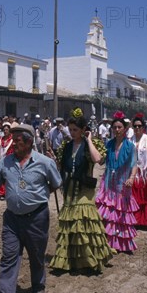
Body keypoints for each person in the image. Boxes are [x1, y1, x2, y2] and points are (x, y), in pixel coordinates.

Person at [0, 124, 62, 293]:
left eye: (17, 141)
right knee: (9, 255)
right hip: (12, 219)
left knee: (36, 254)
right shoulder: (6, 161)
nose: (13, 144)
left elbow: (56, 183)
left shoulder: (44, 162)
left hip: (37, 218)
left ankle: (38, 285)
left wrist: (40, 195)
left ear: (28, 142)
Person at [49, 109, 114, 273]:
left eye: (75, 130)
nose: (72, 133)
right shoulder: (66, 145)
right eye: (70, 129)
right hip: (69, 188)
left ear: (83, 129)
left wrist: (89, 139)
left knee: (84, 220)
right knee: (72, 222)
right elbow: (63, 167)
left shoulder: (92, 144)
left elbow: (98, 159)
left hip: (85, 187)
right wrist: (54, 160)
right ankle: (74, 260)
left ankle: (91, 258)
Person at [95, 111, 139, 253]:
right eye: (115, 127)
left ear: (125, 129)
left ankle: (121, 243)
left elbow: (134, 164)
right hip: (108, 182)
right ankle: (107, 241)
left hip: (122, 182)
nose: (117, 130)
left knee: (121, 213)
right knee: (108, 211)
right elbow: (101, 161)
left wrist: (131, 178)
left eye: (120, 127)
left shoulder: (130, 146)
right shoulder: (108, 144)